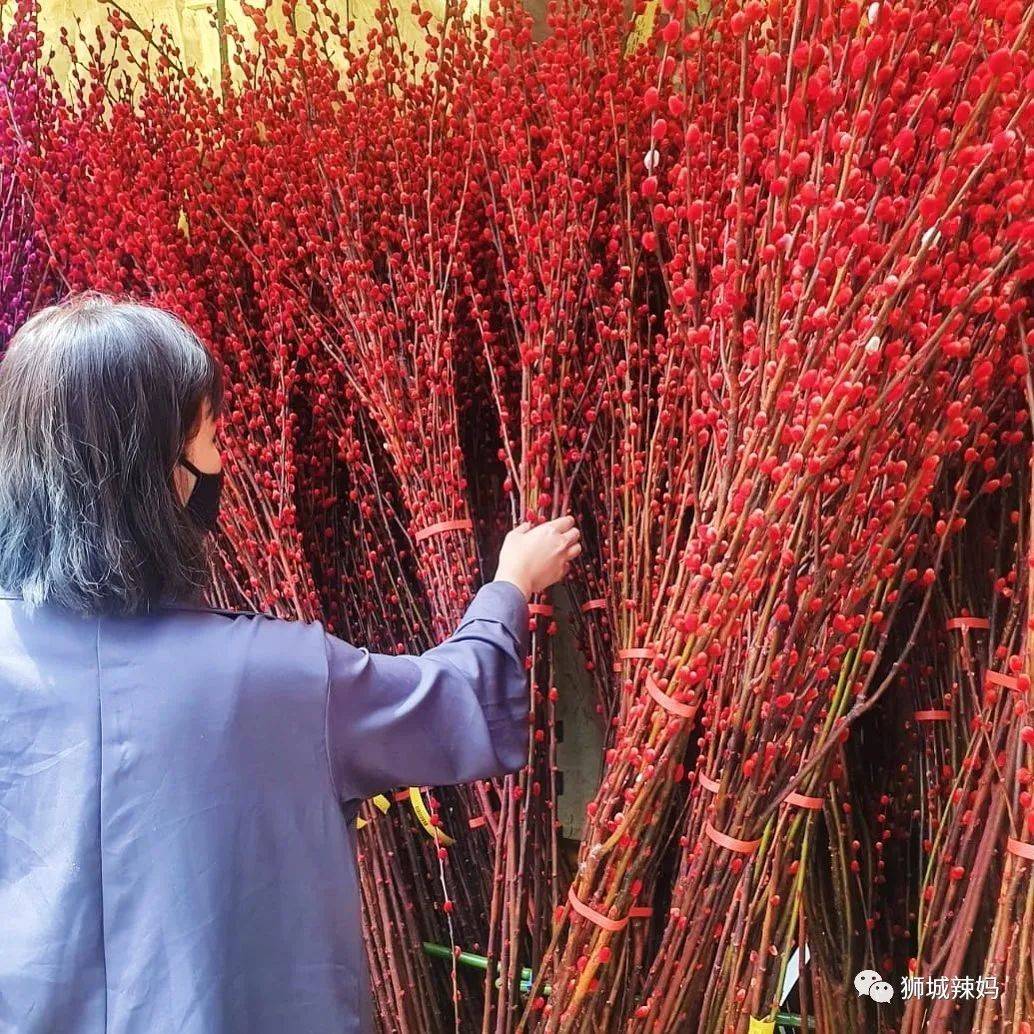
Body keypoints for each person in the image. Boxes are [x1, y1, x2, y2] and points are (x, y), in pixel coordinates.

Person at [0, 291, 581, 1034]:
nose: (222, 460)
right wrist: (511, 584)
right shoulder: (281, 677)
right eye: (210, 434)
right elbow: (454, 701)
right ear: (160, 468)